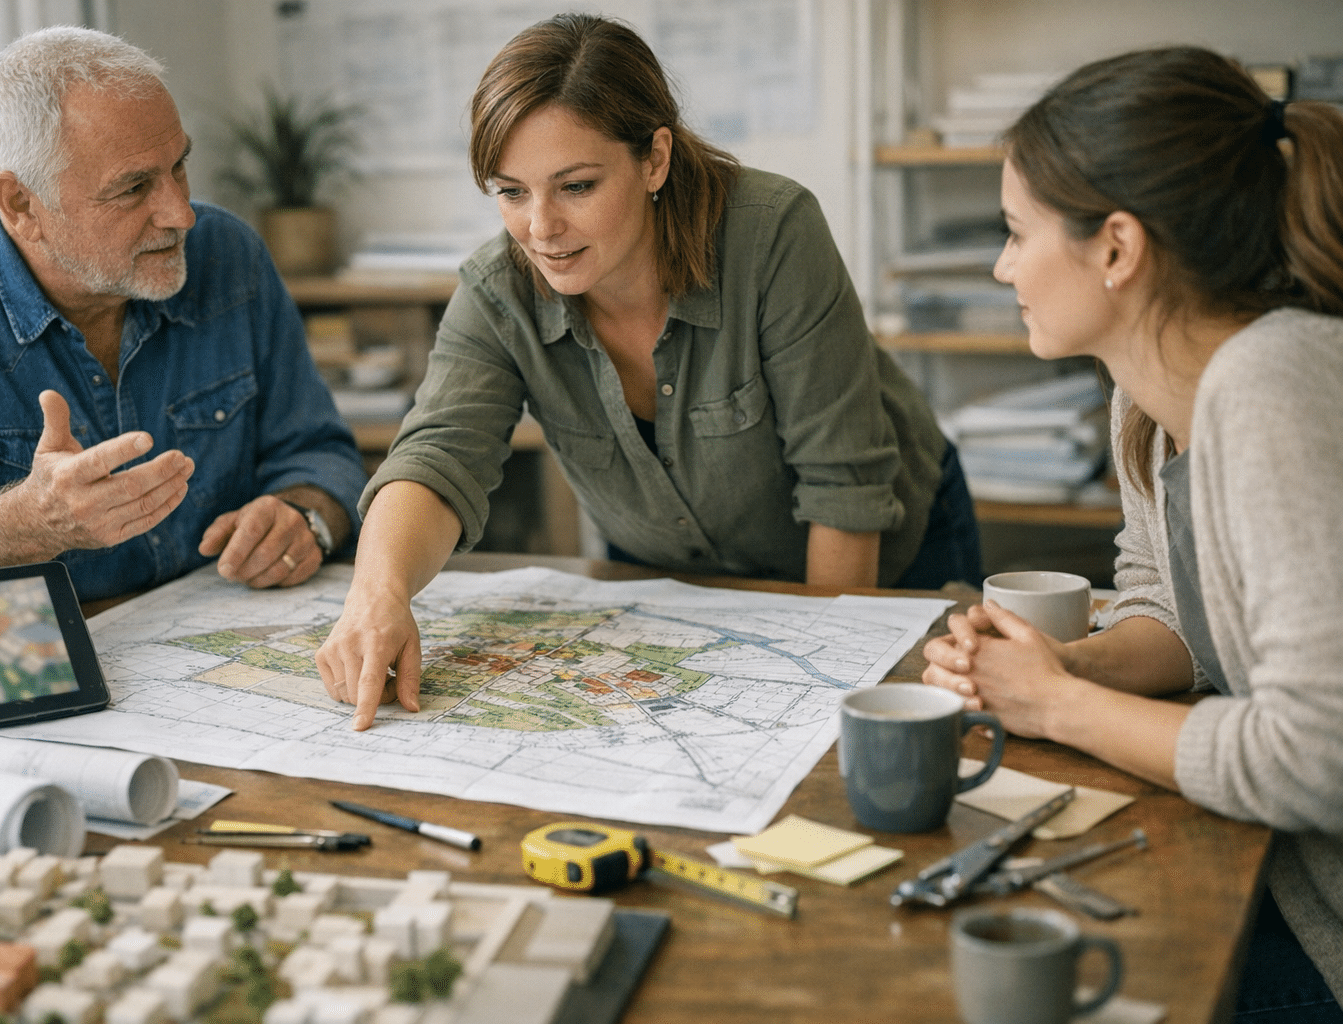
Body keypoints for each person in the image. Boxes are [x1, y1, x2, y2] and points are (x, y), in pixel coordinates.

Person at [316, 13, 979, 730]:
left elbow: (844, 488)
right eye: (511, 192)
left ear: (654, 158)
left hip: (875, 558)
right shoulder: (496, 288)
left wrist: (816, 684)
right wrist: (377, 594)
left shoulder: (774, 232)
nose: (541, 228)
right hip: (678, 583)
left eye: (575, 187)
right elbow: (438, 455)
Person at [921, 48, 1343, 1020]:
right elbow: (1181, 615)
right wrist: (1062, 667)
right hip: (1276, 872)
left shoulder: (1269, 384)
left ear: (1116, 248)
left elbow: (1315, 756)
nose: (1000, 265)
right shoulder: (1147, 394)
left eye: (1018, 234)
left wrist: (1063, 710)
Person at [0, 27, 367, 606]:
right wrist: (28, 523)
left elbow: (321, 450)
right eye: (133, 188)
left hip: (215, 637)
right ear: (21, 203)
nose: (181, 213)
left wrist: (305, 516)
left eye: (179, 166)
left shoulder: (229, 254)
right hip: (32, 665)